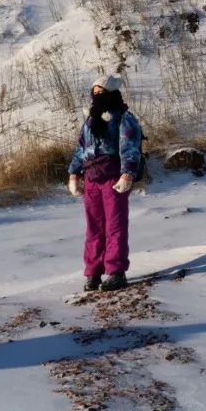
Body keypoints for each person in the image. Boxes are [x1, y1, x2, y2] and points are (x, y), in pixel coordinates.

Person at [68, 75, 143, 292]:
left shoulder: (123, 117)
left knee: (115, 226)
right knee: (94, 227)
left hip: (113, 177)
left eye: (101, 93)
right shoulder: (90, 120)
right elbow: (81, 148)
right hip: (91, 178)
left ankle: (116, 272)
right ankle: (93, 273)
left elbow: (130, 145)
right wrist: (74, 174)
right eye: (95, 93)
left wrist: (127, 173)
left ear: (112, 93)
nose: (97, 96)